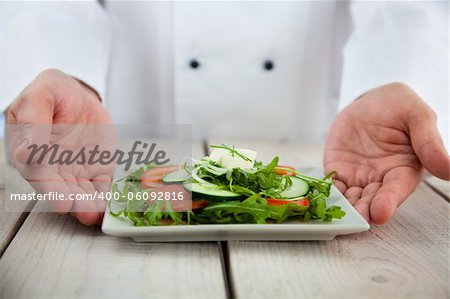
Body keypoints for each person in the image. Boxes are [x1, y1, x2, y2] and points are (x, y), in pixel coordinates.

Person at [1, 1, 449, 226]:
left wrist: (396, 73)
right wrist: (57, 66)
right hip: (129, 134)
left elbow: (409, 7)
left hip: (318, 137)